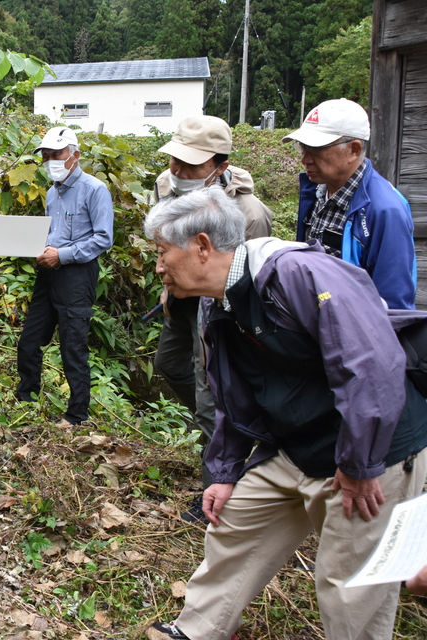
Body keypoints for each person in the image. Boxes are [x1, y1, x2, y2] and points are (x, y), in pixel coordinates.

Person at [143, 188, 427, 640]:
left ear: (201, 246)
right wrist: (225, 469)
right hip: (296, 444)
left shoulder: (299, 273)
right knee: (235, 524)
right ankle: (199, 631)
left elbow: (372, 366)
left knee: (350, 583)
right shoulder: (220, 301)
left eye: (162, 253)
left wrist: (360, 464)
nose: (158, 267)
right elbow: (234, 395)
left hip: (372, 449)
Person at [150, 116, 273, 520]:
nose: (180, 172)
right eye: (175, 162)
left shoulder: (247, 210)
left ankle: (216, 494)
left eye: (192, 165)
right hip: (181, 299)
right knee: (167, 364)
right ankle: (228, 431)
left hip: (219, 312)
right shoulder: (166, 189)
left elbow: (252, 273)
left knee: (211, 395)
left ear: (219, 165)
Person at [15, 126, 113, 427]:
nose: (50, 161)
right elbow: (52, 234)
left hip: (77, 275)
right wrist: (36, 247)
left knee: (73, 347)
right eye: (45, 156)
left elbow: (103, 239)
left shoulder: (94, 190)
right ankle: (26, 401)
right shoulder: (52, 193)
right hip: (49, 274)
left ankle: (76, 415)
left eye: (55, 154)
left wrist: (63, 255)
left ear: (74, 155)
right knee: (29, 341)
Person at [285, 98, 417, 310]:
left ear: (354, 150)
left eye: (315, 149)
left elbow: (395, 305)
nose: (305, 158)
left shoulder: (385, 210)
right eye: (302, 147)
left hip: (353, 335)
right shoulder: (318, 190)